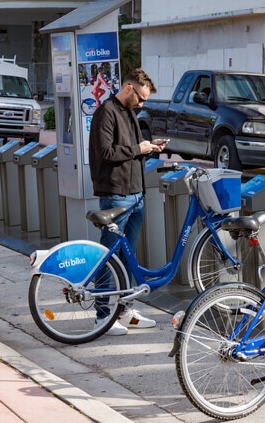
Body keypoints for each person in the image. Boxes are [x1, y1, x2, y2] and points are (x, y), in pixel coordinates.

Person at [88, 68, 167, 336]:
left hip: (135, 193)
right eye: (141, 98)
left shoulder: (130, 113)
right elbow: (106, 152)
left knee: (127, 257)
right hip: (116, 194)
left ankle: (124, 310)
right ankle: (101, 316)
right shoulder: (106, 112)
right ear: (129, 88)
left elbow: (131, 153)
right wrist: (138, 149)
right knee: (108, 257)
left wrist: (150, 147)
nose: (142, 104)